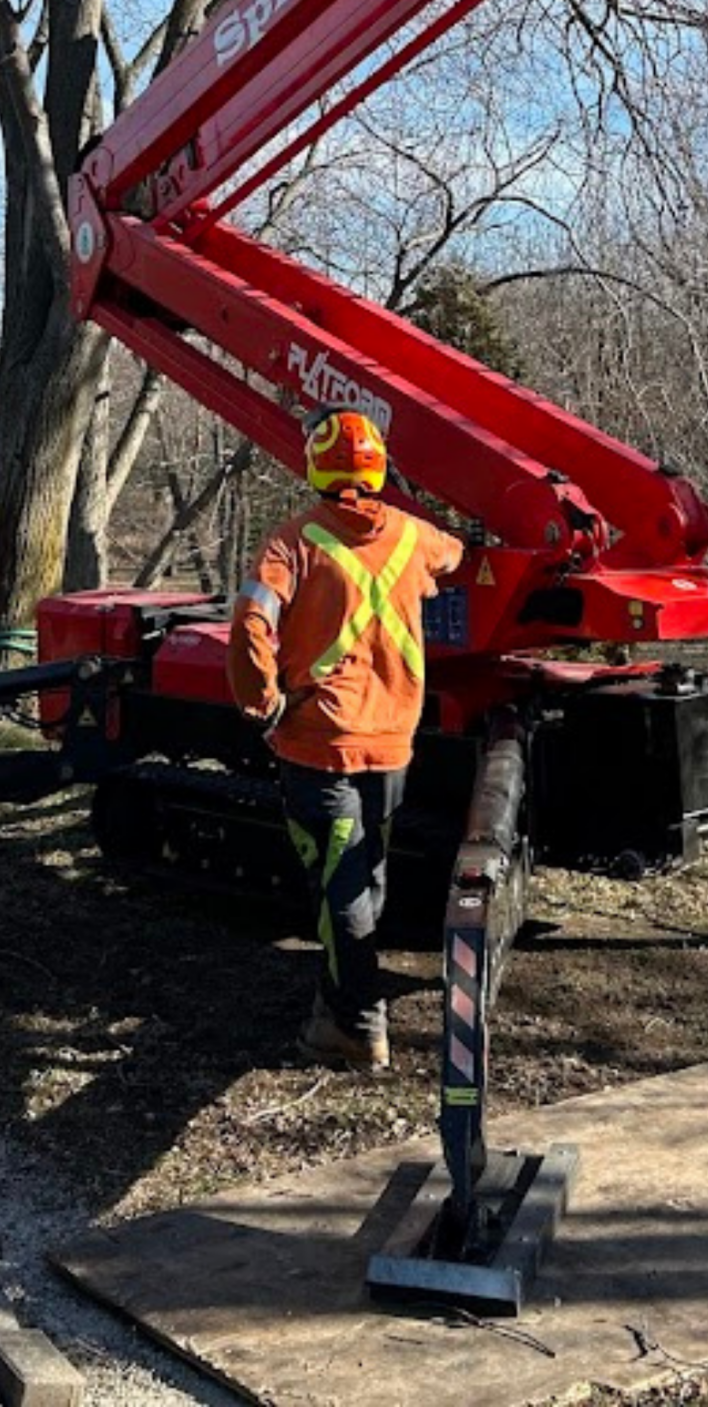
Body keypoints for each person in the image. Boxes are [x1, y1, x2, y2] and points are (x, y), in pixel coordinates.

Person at [228, 407, 464, 1071]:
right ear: (378, 466)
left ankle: (355, 1024)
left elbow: (250, 619)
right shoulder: (414, 537)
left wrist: (261, 700)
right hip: (393, 738)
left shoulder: (292, 542)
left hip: (320, 742)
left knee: (340, 884)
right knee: (367, 872)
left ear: (316, 466)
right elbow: (459, 554)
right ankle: (345, 1002)